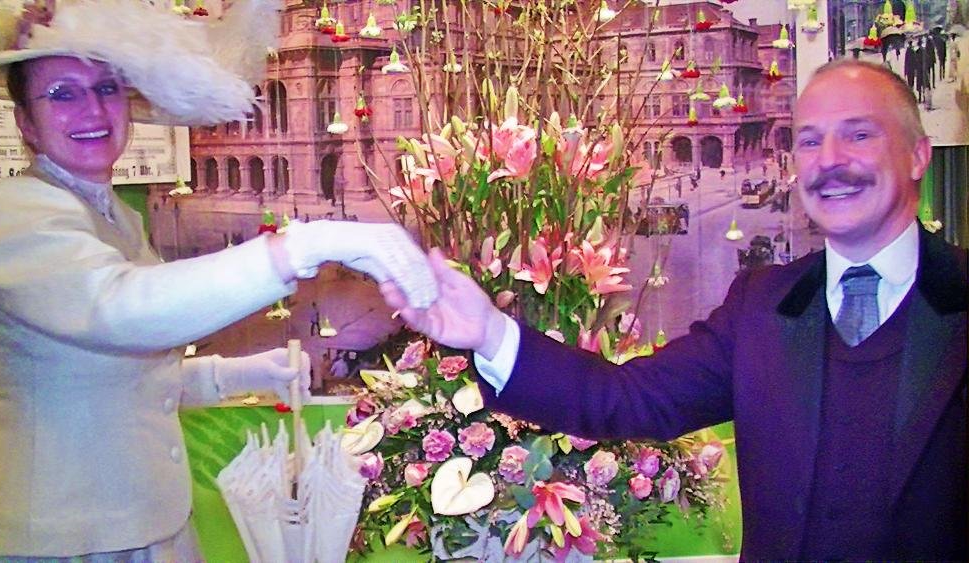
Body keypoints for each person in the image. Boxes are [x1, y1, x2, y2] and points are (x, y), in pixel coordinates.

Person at [386, 59, 967, 559]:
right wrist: (489, 332)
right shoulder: (762, 306)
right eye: (810, 141)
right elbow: (627, 398)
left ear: (918, 155)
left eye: (859, 134)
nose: (829, 160)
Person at [0, 0, 436, 559]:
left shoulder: (112, 216)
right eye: (62, 93)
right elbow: (122, 310)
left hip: (147, 519)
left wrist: (236, 373)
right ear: (25, 122)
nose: (92, 109)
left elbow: (121, 377)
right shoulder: (11, 211)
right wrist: (302, 245)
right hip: (62, 535)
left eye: (107, 88)